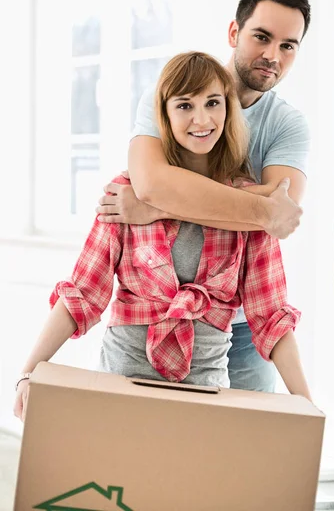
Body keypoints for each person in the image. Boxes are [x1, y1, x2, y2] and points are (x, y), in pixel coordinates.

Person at [14, 52, 311, 422]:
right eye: (185, 105)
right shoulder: (126, 195)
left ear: (227, 110)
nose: (201, 119)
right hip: (121, 388)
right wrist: (28, 373)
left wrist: (306, 404)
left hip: (206, 399)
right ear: (164, 117)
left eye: (213, 103)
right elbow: (83, 295)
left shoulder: (247, 211)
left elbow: (271, 317)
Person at [96, 0, 312, 393]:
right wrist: (161, 191)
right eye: (262, 37)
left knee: (248, 448)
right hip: (151, 322)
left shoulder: (288, 124)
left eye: (288, 45)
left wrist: (157, 206)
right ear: (234, 33)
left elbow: (280, 214)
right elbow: (150, 180)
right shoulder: (171, 90)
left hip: (248, 324)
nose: (272, 55)